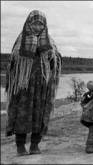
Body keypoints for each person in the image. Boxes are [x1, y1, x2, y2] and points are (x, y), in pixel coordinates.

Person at [5, 10, 62, 156]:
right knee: (22, 114)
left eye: (41, 24)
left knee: (40, 114)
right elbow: (12, 64)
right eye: (35, 23)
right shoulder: (21, 40)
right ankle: (20, 146)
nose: (38, 27)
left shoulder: (49, 42)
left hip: (42, 86)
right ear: (29, 23)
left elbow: (56, 61)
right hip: (23, 87)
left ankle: (35, 145)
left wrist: (51, 56)